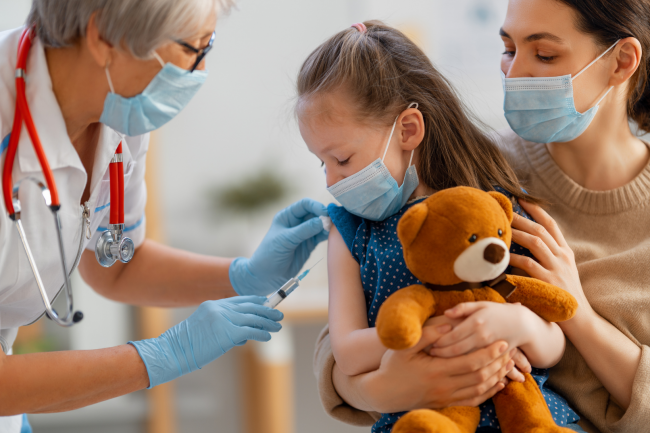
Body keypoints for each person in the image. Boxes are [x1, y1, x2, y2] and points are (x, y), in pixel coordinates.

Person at [313, 1, 650, 432]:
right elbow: (354, 322)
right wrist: (379, 391)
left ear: (622, 61)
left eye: (544, 54)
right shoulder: (475, 169)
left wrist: (576, 312)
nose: (515, 72)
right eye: (509, 49)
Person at [0, 1, 328, 432]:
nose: (200, 69)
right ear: (103, 40)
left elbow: (116, 265)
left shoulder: (120, 111)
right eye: (193, 48)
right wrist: (159, 356)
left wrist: (244, 276)